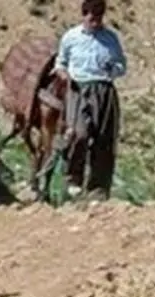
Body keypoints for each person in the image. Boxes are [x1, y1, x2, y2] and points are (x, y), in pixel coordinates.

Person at [54, 0, 127, 200]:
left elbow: (122, 65)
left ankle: (98, 189)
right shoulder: (71, 37)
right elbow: (60, 62)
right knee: (79, 134)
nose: (95, 22)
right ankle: (73, 178)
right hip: (78, 89)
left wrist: (113, 68)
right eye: (92, 18)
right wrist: (63, 74)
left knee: (104, 140)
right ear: (83, 15)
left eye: (99, 18)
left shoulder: (110, 38)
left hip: (104, 90)